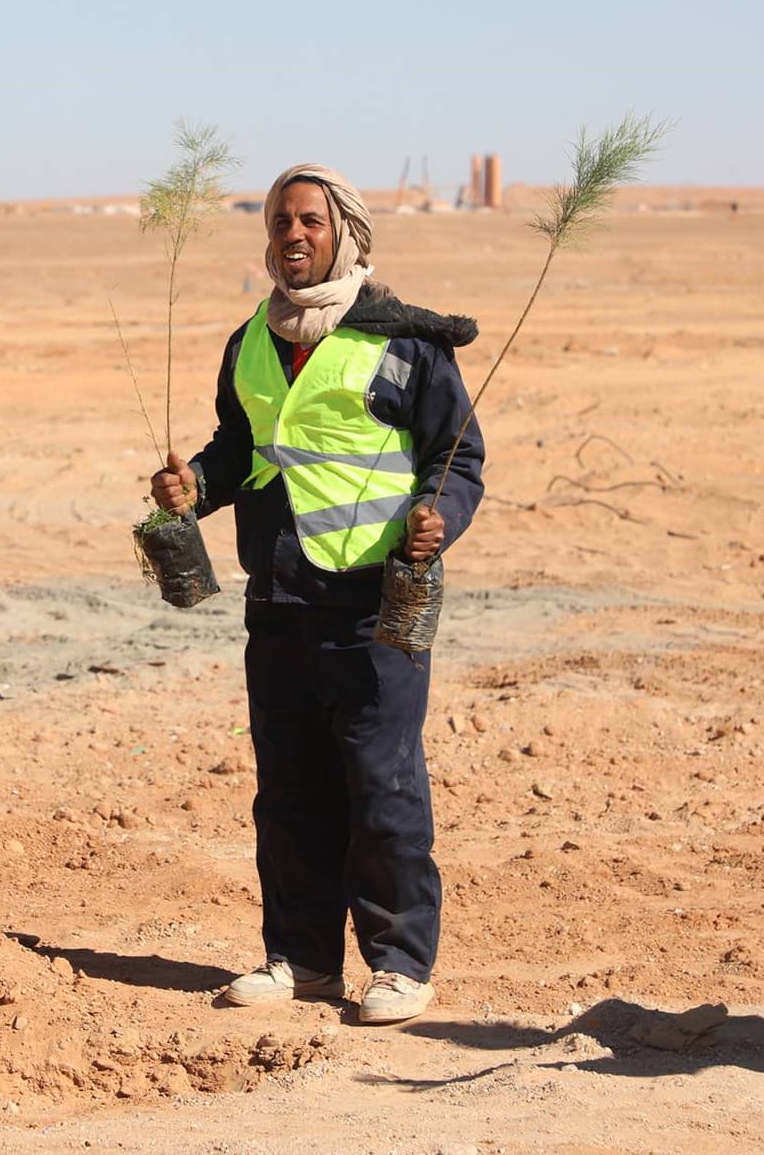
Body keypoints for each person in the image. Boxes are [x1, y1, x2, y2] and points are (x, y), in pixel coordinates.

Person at [149, 163, 485, 1025]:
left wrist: (437, 515)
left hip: (377, 607)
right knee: (290, 789)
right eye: (278, 224)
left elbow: (460, 460)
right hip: (281, 603)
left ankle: (400, 965)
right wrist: (198, 482)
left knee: (382, 785)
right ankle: (300, 961)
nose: (292, 236)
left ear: (346, 236)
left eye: (310, 222)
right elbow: (242, 444)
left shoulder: (407, 342)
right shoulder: (250, 340)